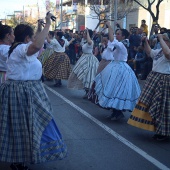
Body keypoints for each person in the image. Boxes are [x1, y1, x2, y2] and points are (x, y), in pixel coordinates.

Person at [0, 13, 67, 170]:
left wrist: (39, 28)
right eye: (31, 37)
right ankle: (19, 161)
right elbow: (36, 46)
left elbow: (36, 44)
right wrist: (49, 25)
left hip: (27, 91)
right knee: (23, 127)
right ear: (26, 39)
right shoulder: (20, 49)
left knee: (29, 126)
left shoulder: (18, 48)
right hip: (22, 92)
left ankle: (21, 159)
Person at [94, 21, 141, 120]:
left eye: (119, 34)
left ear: (123, 36)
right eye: (117, 33)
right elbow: (111, 41)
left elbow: (112, 39)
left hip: (121, 68)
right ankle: (115, 111)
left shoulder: (123, 44)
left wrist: (109, 26)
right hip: (115, 66)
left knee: (118, 90)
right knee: (113, 89)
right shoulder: (120, 44)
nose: (117, 35)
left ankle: (118, 112)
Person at [128, 32, 170, 141]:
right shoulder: (160, 51)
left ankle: (163, 132)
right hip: (155, 78)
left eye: (165, 40)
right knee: (153, 105)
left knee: (162, 107)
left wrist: (160, 38)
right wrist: (145, 42)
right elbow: (149, 52)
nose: (163, 41)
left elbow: (168, 54)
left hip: (164, 81)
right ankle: (158, 130)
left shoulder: (166, 51)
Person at [67, 28, 99, 99]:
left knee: (88, 75)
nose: (83, 34)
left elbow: (89, 42)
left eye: (85, 34)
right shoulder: (83, 40)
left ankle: (89, 93)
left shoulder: (91, 41)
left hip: (89, 59)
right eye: (84, 33)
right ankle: (87, 92)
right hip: (83, 57)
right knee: (81, 74)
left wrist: (87, 33)